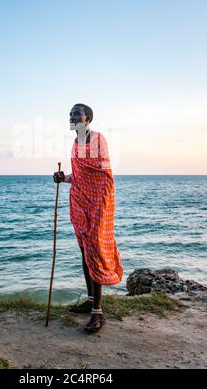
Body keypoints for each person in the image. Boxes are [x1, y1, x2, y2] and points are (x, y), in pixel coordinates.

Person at [53, 103, 123, 333]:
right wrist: (64, 178)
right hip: (80, 202)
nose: (72, 117)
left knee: (95, 252)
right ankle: (91, 302)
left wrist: (98, 204)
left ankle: (98, 314)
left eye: (77, 113)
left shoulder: (98, 139)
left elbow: (102, 173)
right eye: (70, 114)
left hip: (98, 202)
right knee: (85, 252)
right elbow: (80, 176)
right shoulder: (74, 144)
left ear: (88, 118)